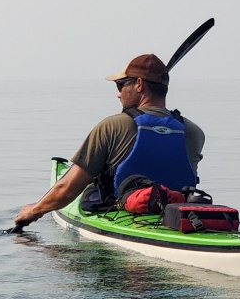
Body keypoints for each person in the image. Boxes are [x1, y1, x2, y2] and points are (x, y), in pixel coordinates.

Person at [13, 54, 205, 228]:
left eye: (121, 85)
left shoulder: (113, 126)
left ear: (139, 84)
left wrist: (34, 210)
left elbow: (67, 188)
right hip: (179, 218)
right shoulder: (194, 132)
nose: (118, 93)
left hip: (117, 214)